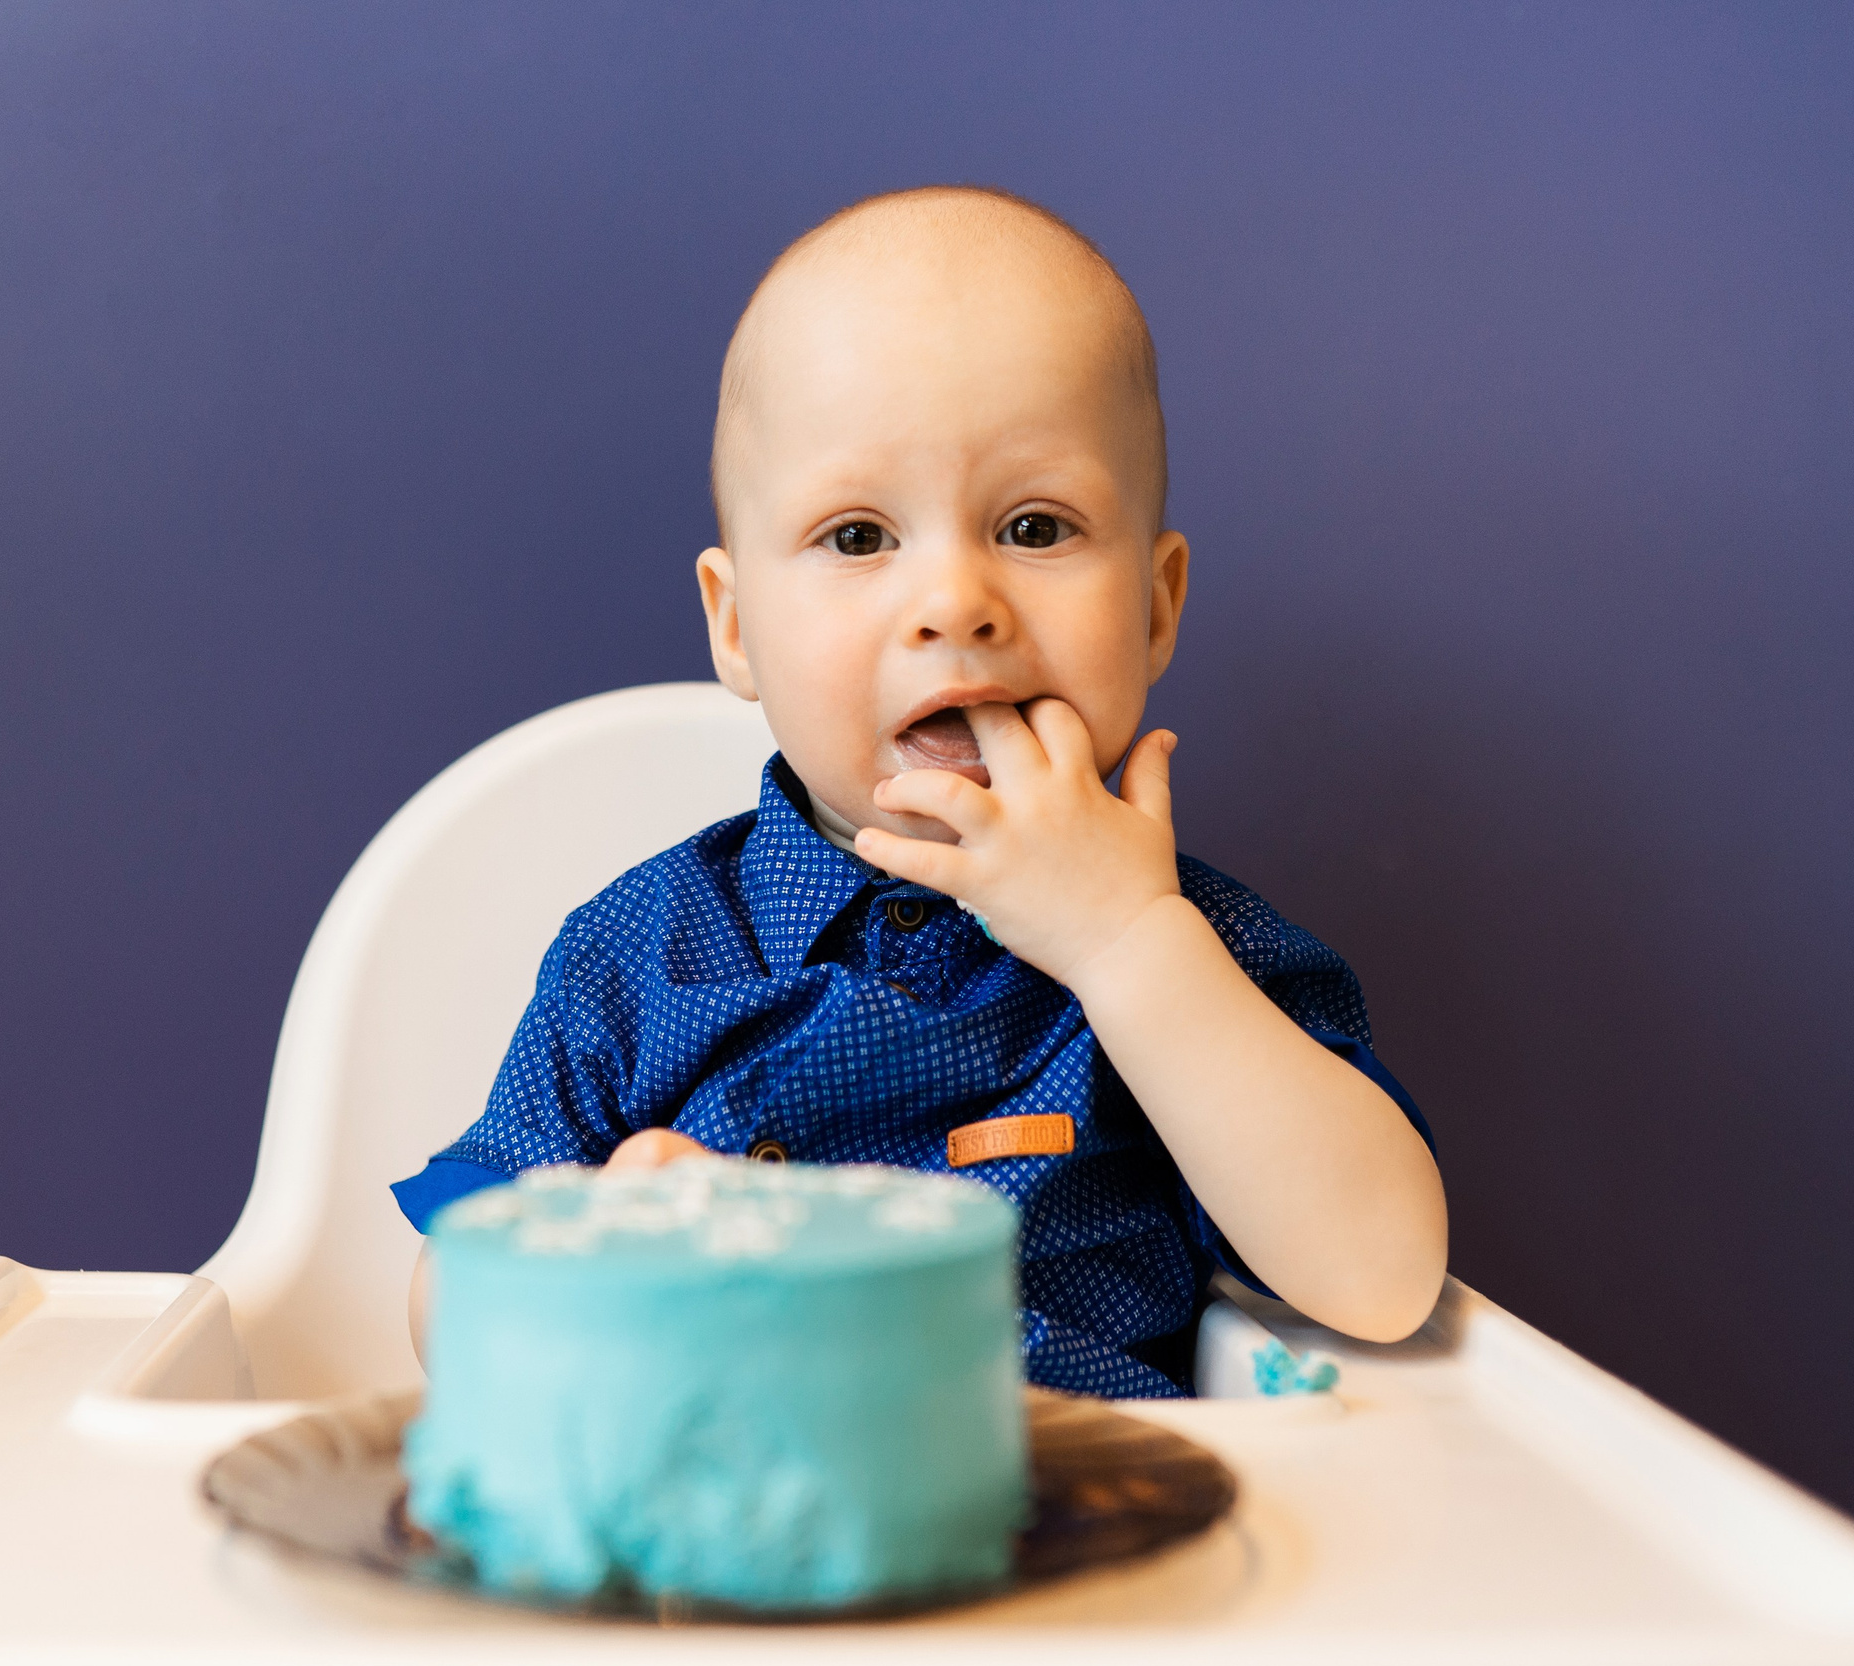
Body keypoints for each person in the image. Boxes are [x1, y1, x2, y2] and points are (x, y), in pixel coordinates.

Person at [390, 186, 1447, 1398]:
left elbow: (1385, 1277)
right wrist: (598, 1247)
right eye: (857, 538)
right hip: (726, 1534)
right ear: (736, 625)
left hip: (1081, 1546)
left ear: (1154, 607)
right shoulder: (641, 959)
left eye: (1036, 526)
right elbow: (443, 1291)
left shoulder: (1199, 956)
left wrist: (1123, 942)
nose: (955, 600)